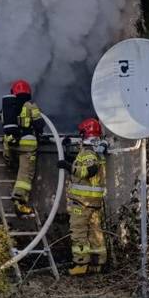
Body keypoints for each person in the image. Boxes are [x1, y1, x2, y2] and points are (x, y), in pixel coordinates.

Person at [59, 117, 109, 275]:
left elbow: (88, 171)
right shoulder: (95, 152)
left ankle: (80, 263)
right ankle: (98, 263)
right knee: (95, 232)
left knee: (78, 231)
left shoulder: (88, 153)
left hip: (82, 202)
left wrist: (67, 167)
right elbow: (80, 165)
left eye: (81, 133)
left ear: (85, 134)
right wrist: (66, 150)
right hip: (93, 202)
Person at [0, 79, 45, 216]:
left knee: (14, 163)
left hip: (10, 144)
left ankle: (11, 163)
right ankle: (19, 201)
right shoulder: (31, 105)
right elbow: (39, 125)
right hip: (27, 145)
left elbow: (1, 120)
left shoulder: (8, 107)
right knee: (25, 175)